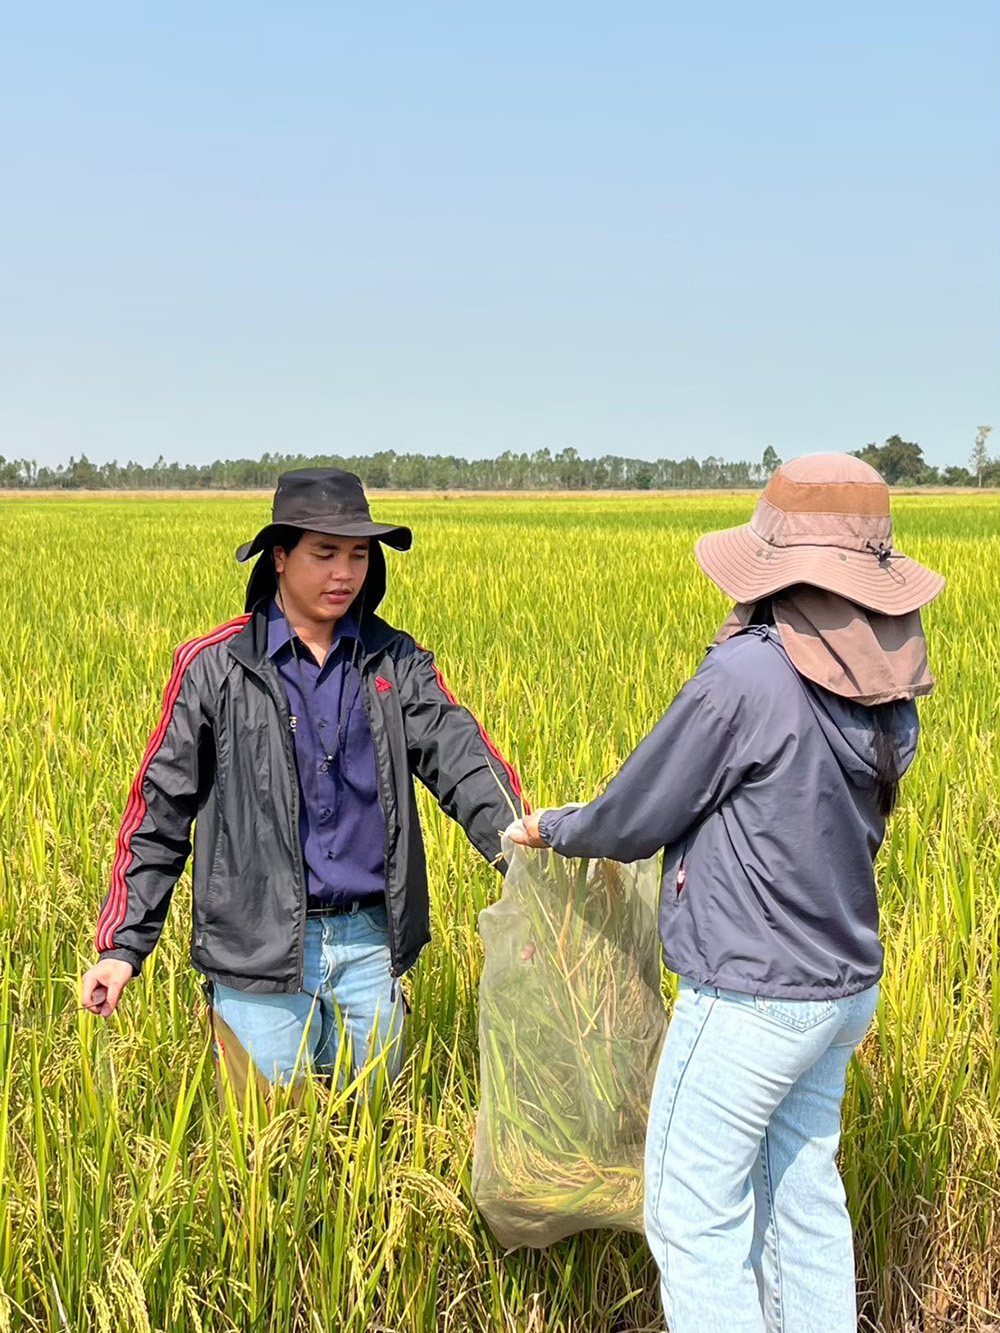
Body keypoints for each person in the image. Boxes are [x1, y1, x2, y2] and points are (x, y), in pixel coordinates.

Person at [509, 453, 944, 1333]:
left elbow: (638, 809)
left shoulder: (750, 673)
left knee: (693, 1215)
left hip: (752, 993)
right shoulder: (892, 684)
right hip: (841, 989)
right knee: (803, 1196)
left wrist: (554, 826)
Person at [82, 467, 527, 1091]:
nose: (344, 574)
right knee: (267, 1155)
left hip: (370, 942)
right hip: (255, 952)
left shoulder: (394, 662)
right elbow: (161, 812)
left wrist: (538, 871)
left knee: (372, 1138)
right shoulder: (216, 668)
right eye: (325, 554)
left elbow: (465, 764)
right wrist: (121, 947)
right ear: (281, 557)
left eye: (358, 554)